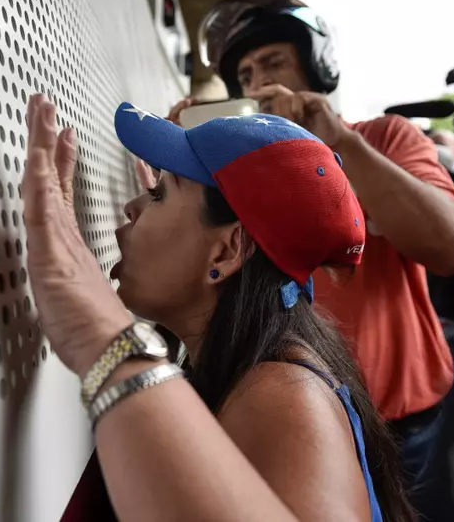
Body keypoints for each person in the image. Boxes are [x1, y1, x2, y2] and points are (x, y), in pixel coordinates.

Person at [23, 94, 415, 521]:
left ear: (227, 251)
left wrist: (101, 338)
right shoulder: (249, 367)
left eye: (157, 194)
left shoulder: (283, 397)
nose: (130, 207)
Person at [179, 0, 454, 490]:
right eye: (246, 76)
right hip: (308, 422)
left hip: (406, 420)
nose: (259, 83)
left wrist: (336, 141)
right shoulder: (244, 172)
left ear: (316, 69)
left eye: (273, 62)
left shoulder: (384, 137)